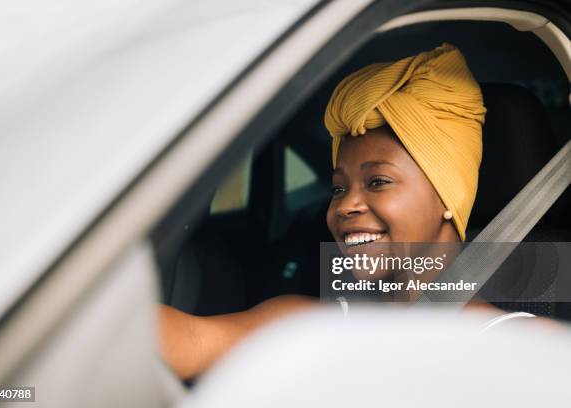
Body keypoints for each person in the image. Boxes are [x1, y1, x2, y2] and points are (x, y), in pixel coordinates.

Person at [157, 43, 508, 379]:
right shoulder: (305, 324)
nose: (344, 206)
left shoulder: (521, 348)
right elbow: (193, 342)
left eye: (378, 181)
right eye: (338, 188)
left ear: (448, 196)